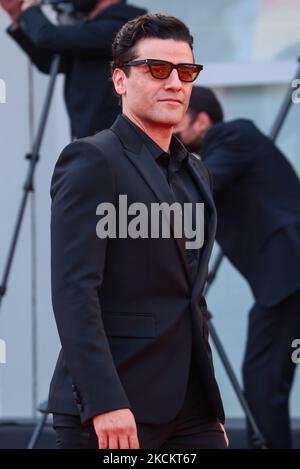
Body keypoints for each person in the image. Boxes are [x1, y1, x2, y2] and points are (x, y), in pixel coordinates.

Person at [47, 14, 228, 449]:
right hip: (115, 408)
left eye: (186, 72)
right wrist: (104, 401)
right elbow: (75, 291)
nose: (175, 83)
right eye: (157, 69)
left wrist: (210, 406)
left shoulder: (196, 172)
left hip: (191, 408)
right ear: (119, 81)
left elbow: (190, 296)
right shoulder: (92, 160)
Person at [176, 85, 300, 449]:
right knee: (263, 380)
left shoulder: (234, 135)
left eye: (177, 124)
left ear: (202, 121)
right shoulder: (217, 156)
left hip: (290, 278)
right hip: (283, 284)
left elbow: (200, 188)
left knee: (262, 380)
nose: (172, 135)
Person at [0, 0, 146, 138]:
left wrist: (30, 9)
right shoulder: (91, 28)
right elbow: (49, 63)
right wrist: (17, 15)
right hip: (94, 138)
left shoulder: (124, 26)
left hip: (116, 139)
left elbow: (48, 37)